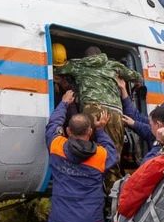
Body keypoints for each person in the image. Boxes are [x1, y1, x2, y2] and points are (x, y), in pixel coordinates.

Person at [46, 90, 118, 222]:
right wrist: (101, 130)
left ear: (68, 131)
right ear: (89, 134)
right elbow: (112, 153)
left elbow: (52, 126)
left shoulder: (56, 146)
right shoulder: (100, 155)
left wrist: (64, 104)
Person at [53, 45, 142, 178]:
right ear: (101, 55)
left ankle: (86, 184)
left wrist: (58, 81)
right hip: (114, 112)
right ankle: (111, 192)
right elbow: (136, 76)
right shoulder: (114, 65)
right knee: (112, 157)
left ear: (86, 57)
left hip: (92, 109)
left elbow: (55, 70)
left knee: (85, 153)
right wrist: (138, 82)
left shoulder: (78, 64)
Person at [118, 75, 164, 163]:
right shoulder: (155, 131)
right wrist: (123, 89)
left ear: (159, 125)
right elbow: (135, 115)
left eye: (151, 125)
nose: (150, 126)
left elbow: (147, 168)